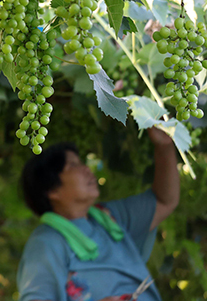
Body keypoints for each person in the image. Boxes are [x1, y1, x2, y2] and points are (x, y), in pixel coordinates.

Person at [16, 127, 181, 301]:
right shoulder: (46, 242)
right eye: (73, 165)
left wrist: (164, 146)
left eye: (81, 163)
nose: (86, 169)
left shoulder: (110, 218)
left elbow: (164, 201)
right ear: (51, 190)